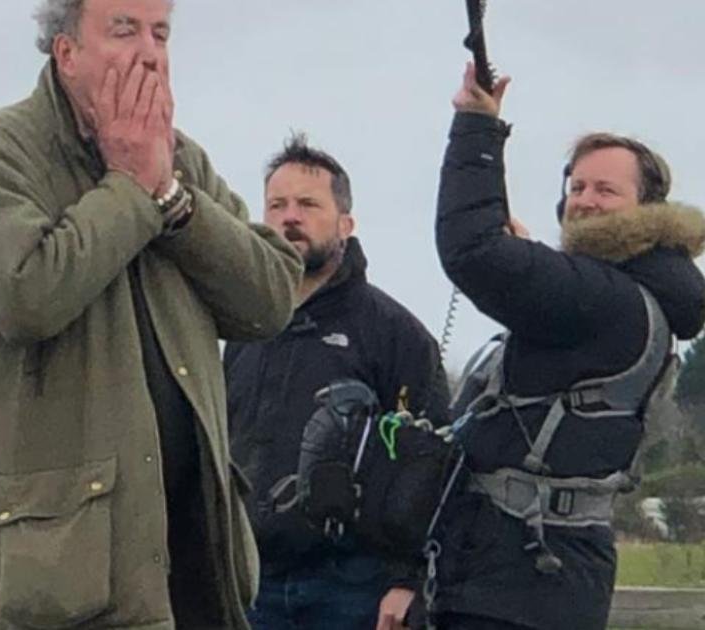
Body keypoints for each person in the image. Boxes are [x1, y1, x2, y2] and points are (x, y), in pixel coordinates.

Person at [0, 0, 304, 627]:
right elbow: (26, 297)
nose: (150, 54)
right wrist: (131, 188)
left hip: (191, 562)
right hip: (53, 586)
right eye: (124, 30)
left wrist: (173, 199)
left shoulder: (182, 161)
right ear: (66, 52)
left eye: (161, 33)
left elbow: (271, 299)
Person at [431, 64, 705, 630]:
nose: (584, 200)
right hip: (542, 576)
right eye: (576, 187)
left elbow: (471, 250)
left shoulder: (606, 299)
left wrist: (477, 127)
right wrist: (530, 263)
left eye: (606, 190)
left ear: (647, 210)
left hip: (518, 584)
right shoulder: (638, 297)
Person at [225, 134, 449, 630]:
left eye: (308, 204)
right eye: (277, 205)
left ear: (345, 223)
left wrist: (408, 579)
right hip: (250, 582)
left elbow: (431, 462)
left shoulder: (395, 333)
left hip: (354, 588)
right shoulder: (244, 329)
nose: (290, 218)